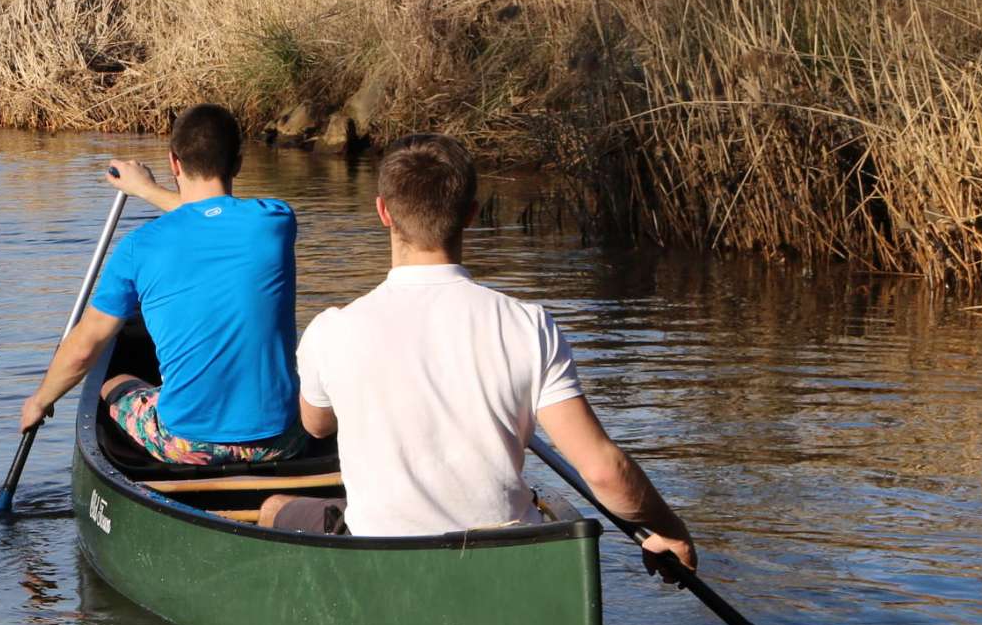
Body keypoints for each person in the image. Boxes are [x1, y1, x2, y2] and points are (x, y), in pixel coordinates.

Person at [293, 133, 697, 571]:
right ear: (471, 214)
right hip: (503, 564)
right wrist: (671, 529)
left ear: (384, 213)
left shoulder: (331, 329)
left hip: (385, 559)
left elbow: (315, 426)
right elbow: (602, 471)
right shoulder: (529, 325)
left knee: (279, 507)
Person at [19, 104, 309, 484]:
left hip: (186, 442)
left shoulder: (138, 248)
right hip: (282, 438)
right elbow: (210, 214)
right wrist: (146, 190)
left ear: (175, 162)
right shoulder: (275, 220)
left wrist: (40, 401)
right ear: (238, 162)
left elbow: (85, 348)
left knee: (113, 382)